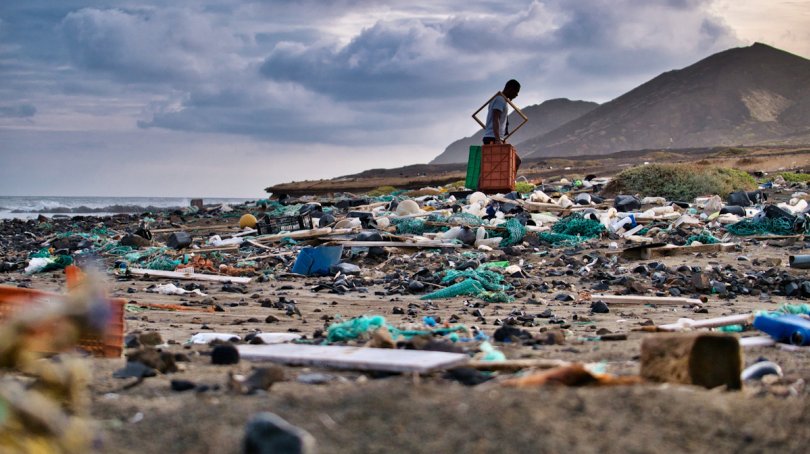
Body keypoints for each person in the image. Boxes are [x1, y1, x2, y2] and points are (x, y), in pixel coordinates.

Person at [482, 79, 520, 145]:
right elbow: (495, 118)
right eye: (516, 91)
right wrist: (497, 139)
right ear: (511, 89)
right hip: (493, 138)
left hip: (494, 137)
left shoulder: (502, 100)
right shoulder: (500, 99)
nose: (516, 95)